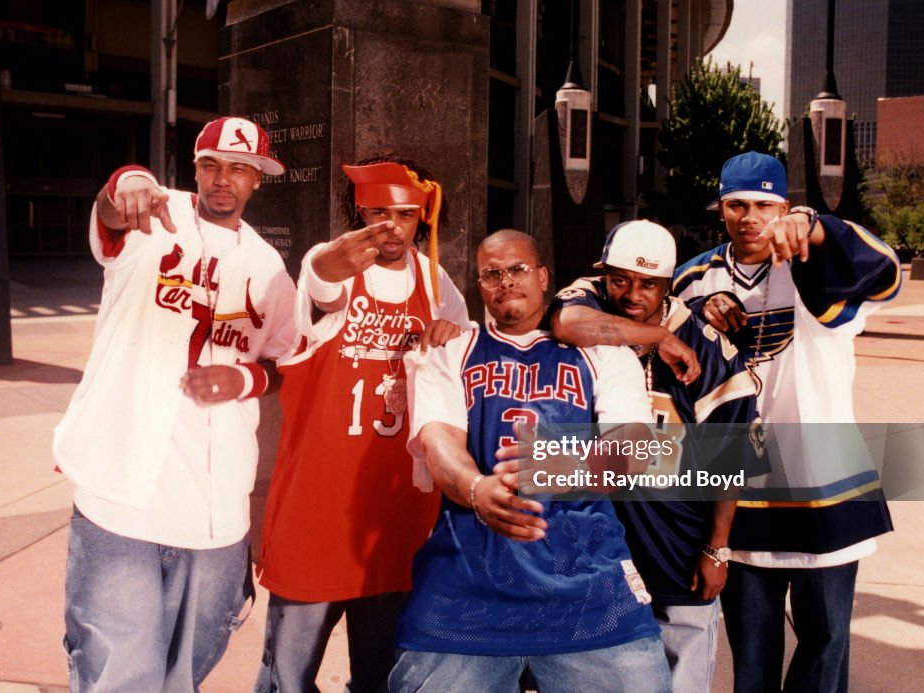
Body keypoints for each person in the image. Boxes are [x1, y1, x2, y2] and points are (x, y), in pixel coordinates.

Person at [53, 116, 297, 692]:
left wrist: (244, 382)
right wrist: (125, 181)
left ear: (257, 179)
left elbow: (283, 364)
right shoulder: (151, 218)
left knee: (185, 674)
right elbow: (114, 211)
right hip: (121, 497)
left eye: (239, 168)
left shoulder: (268, 267)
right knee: (117, 672)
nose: (222, 179)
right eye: (211, 164)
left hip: (214, 510)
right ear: (194, 168)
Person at [389, 229, 672, 693]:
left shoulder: (605, 352)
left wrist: (566, 468)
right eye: (492, 274)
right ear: (479, 286)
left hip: (586, 583)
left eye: (518, 269)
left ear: (543, 277)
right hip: (468, 588)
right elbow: (439, 441)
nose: (506, 282)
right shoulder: (450, 349)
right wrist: (477, 490)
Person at [672, 151, 901, 693]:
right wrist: (697, 315)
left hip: (824, 477)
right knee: (751, 648)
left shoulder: (816, 260)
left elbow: (883, 267)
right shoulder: (694, 277)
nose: (750, 217)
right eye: (737, 205)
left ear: (784, 208)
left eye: (765, 205)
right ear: (721, 209)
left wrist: (817, 228)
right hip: (738, 485)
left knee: (825, 641)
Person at [253, 157, 471, 693]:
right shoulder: (334, 267)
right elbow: (321, 281)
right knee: (288, 677)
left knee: (379, 677)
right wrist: (328, 265)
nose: (390, 227)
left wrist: (448, 334)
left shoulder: (435, 280)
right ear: (359, 212)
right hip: (318, 507)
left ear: (423, 217)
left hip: (394, 517)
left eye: (403, 214)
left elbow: (466, 367)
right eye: (376, 213)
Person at [551, 220, 766, 693]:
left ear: (669, 285)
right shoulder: (585, 303)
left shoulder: (710, 348)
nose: (632, 294)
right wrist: (657, 338)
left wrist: (717, 547)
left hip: (677, 535)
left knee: (683, 674)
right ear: (603, 274)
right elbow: (565, 321)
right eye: (620, 279)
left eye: (648, 284)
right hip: (596, 541)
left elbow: (730, 457)